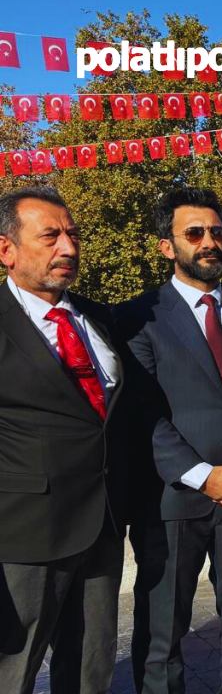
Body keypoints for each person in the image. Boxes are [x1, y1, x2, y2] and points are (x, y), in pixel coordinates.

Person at [116, 188, 222, 694]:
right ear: (167, 246)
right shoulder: (137, 316)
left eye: (217, 232)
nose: (208, 242)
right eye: (194, 233)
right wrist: (203, 476)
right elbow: (141, 411)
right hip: (172, 499)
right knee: (162, 633)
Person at [0, 188, 128, 694]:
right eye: (49, 236)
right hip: (23, 530)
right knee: (14, 668)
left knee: (92, 664)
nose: (68, 247)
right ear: (6, 249)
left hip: (102, 520)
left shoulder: (99, 318)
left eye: (72, 234)